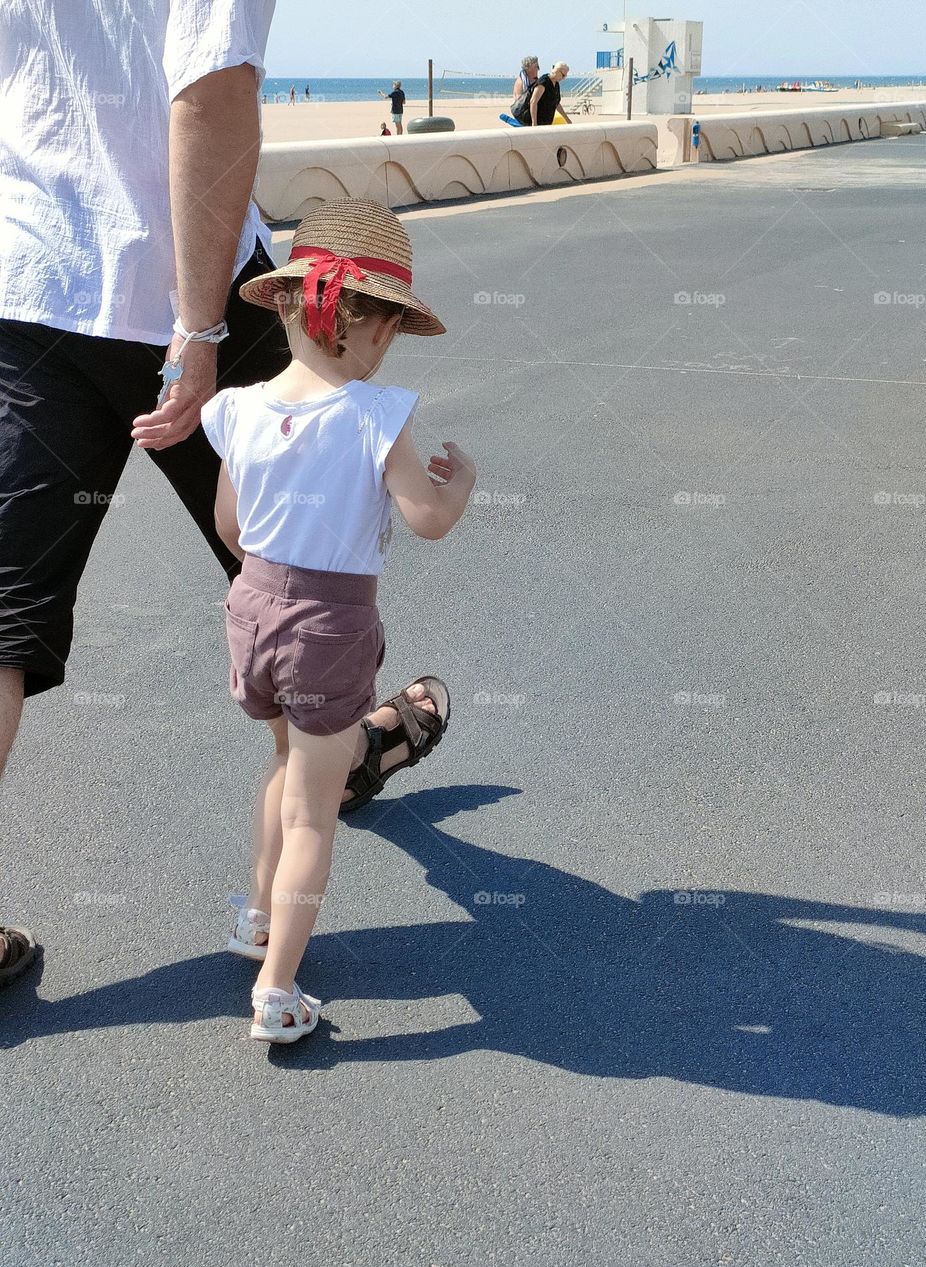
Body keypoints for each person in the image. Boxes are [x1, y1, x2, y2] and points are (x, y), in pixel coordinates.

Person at [0, 3, 447, 989]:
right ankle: (329, 774)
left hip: (30, 287)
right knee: (293, 574)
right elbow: (211, 90)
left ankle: (333, 757)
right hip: (184, 287)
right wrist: (199, 332)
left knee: (0, 629)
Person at [204, 199, 476, 1042]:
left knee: (282, 764)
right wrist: (459, 486)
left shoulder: (241, 408)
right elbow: (425, 518)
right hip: (328, 626)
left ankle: (256, 917)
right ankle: (277, 992)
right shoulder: (374, 414)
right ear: (379, 329)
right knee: (312, 815)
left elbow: (232, 529)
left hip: (251, 611)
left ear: (289, 305)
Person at [526, 62, 572, 126]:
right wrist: (534, 123)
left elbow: (556, 103)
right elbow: (533, 102)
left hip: (547, 122)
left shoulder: (556, 84)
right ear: (557, 71)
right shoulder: (544, 82)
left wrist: (567, 120)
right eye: (563, 75)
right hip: (538, 122)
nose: (563, 78)